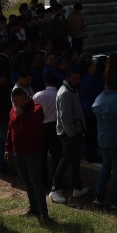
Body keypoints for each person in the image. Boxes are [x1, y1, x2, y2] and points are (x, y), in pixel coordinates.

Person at [6, 86, 49, 222]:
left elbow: (33, 128)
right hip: (18, 152)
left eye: (18, 101)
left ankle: (44, 213)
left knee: (36, 182)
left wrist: (22, 116)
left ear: (26, 98)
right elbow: (10, 130)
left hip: (32, 152)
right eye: (13, 102)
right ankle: (33, 208)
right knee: (26, 182)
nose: (15, 104)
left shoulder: (36, 109)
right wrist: (7, 148)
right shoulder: (14, 110)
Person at [92, 71, 117, 208]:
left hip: (102, 138)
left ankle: (98, 196)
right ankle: (116, 198)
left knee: (106, 165)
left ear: (105, 85)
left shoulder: (99, 99)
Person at [49, 64, 89, 202]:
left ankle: (77, 188)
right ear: (68, 78)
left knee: (74, 161)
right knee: (65, 161)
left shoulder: (72, 90)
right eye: (74, 79)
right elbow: (65, 116)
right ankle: (55, 189)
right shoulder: (65, 93)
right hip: (69, 134)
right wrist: (73, 134)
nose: (77, 81)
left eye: (78, 78)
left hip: (74, 132)